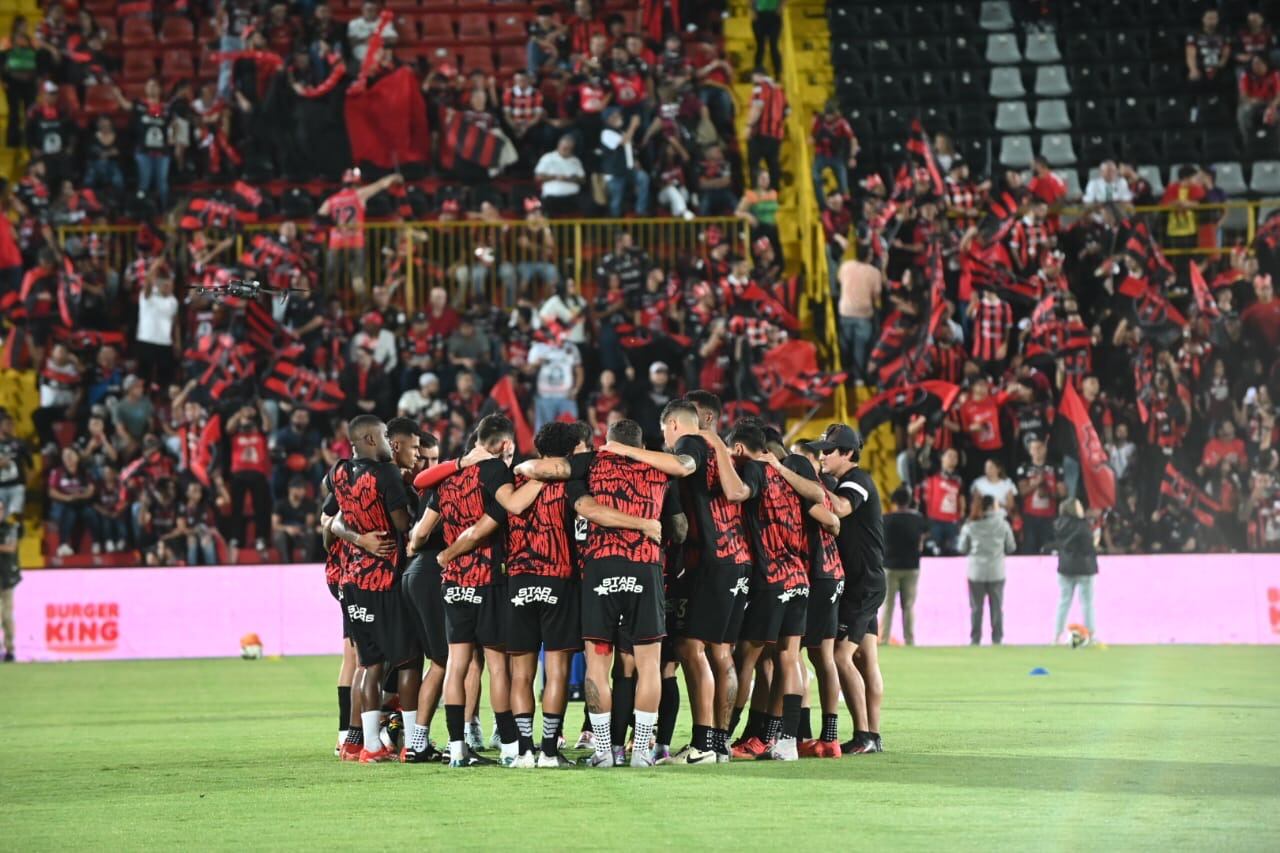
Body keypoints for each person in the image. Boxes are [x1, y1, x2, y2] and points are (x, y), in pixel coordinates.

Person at [514, 419, 670, 767]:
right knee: (649, 665)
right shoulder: (659, 467)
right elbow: (678, 519)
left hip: (599, 568)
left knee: (597, 664)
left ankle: (602, 751)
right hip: (645, 565)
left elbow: (576, 499)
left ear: (608, 442)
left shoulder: (591, 463)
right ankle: (641, 752)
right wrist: (646, 524)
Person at [723, 422, 823, 761]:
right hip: (799, 578)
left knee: (744, 658)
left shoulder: (753, 470)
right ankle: (786, 741)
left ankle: (722, 736)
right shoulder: (787, 474)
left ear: (737, 449)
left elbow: (738, 494)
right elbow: (819, 499)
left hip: (771, 579)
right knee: (788, 658)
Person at [324, 414, 415, 764]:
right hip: (383, 578)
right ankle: (413, 743)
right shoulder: (386, 473)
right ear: (373, 440)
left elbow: (331, 520)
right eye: (384, 437)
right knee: (407, 661)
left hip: (353, 581)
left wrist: (357, 537)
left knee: (369, 664)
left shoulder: (338, 472)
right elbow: (401, 524)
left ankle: (367, 745)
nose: (391, 446)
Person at [809, 423, 885, 755]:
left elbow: (840, 509)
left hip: (863, 585)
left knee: (841, 656)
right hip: (863, 581)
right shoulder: (847, 481)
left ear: (848, 454)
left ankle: (865, 735)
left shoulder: (858, 481)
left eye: (828, 450)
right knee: (866, 659)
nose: (822, 456)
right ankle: (874, 736)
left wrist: (802, 482)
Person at [319, 168, 403, 303]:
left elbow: (319, 218)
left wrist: (336, 223)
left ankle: (328, 308)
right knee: (357, 279)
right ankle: (365, 308)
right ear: (357, 183)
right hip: (356, 242)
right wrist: (394, 177)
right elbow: (381, 184)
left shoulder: (331, 200)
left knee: (331, 280)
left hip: (336, 243)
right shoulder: (359, 194)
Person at [957, 495, 1015, 646]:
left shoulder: (970, 525)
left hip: (976, 571)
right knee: (997, 607)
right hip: (997, 571)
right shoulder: (1003, 524)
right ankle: (997, 639)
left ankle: (975, 639)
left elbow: (962, 547)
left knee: (976, 608)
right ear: (993, 506)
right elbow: (1011, 546)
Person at [880, 486, 927, 646]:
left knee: (888, 604)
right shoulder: (918, 519)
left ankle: (884, 638)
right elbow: (923, 538)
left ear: (894, 501)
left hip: (890, 565)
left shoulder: (886, 519)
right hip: (911, 566)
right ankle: (909, 639)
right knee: (908, 605)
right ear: (909, 501)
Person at [1053, 498, 1098, 644]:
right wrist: (1095, 541)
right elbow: (1087, 548)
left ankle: (1057, 635)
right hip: (1084, 568)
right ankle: (1090, 634)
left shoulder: (1058, 524)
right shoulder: (1083, 526)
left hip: (1065, 567)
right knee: (1087, 603)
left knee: (1063, 602)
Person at [534, 134, 586, 217]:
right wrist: (555, 177)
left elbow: (582, 180)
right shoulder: (548, 158)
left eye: (570, 148)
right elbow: (538, 177)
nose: (567, 150)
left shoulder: (576, 160)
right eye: (565, 147)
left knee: (586, 203)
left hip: (572, 197)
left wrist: (568, 179)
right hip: (551, 198)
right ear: (559, 145)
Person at [0, 497, 19, 661]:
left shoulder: (9, 528)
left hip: (6, 576)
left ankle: (10, 649)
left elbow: (11, 547)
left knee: (6, 615)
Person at [751, 0, 782, 77]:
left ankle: (777, 73)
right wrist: (754, 11)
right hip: (760, 15)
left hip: (773, 16)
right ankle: (758, 73)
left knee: (773, 46)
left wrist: (779, 9)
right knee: (760, 47)